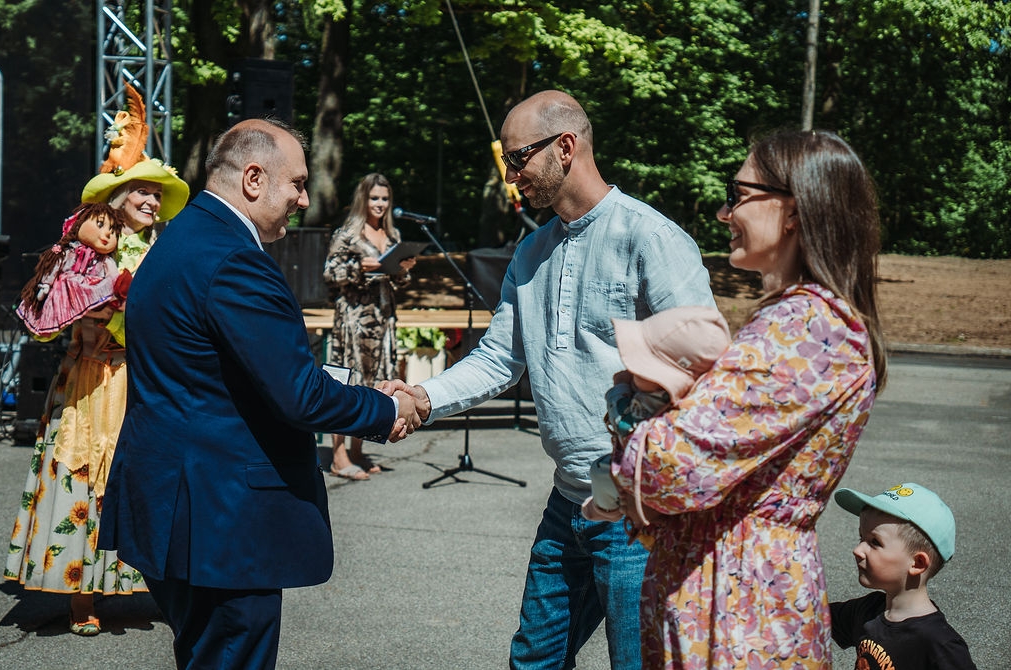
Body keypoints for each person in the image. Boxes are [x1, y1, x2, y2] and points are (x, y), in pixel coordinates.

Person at [381, 89, 715, 670]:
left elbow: (701, 370)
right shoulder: (532, 251)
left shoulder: (650, 238)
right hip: (568, 502)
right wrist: (422, 396)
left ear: (566, 147)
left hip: (643, 515)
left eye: (517, 159)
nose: (511, 178)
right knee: (533, 659)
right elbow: (499, 359)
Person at [96, 118, 420, 670]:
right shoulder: (234, 260)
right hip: (220, 521)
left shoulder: (182, 238)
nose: (302, 198)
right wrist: (389, 406)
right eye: (295, 183)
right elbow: (298, 395)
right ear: (252, 179)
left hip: (176, 505)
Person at [608, 128, 889, 668]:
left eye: (737, 194)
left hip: (740, 606)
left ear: (794, 210)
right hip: (734, 590)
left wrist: (626, 408)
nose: (723, 212)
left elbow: (666, 468)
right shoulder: (797, 321)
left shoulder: (809, 327)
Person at [3, 84, 190, 637]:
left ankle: (135, 584)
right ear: (118, 197)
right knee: (86, 469)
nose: (152, 203)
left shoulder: (163, 247)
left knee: (141, 474)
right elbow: (55, 312)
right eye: (142, 193)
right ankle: (81, 592)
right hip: (93, 377)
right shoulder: (88, 249)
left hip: (145, 375)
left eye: (158, 196)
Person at [582, 306, 730, 525]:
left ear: (665, 381)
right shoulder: (703, 402)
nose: (630, 368)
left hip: (644, 478)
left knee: (603, 470)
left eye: (639, 367)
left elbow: (625, 425)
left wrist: (619, 389)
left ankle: (604, 508)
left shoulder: (656, 399)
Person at [323, 172, 416, 480]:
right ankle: (338, 455)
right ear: (364, 199)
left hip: (383, 317)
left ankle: (358, 451)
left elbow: (401, 282)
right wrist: (358, 268)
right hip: (353, 319)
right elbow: (329, 273)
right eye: (374, 198)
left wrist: (402, 270)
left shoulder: (393, 236)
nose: (380, 204)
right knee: (347, 384)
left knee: (375, 383)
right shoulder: (347, 233)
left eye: (385, 199)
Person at [830, 482, 977, 669]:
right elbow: (813, 616)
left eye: (874, 542)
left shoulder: (939, 644)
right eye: (861, 538)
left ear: (918, 563)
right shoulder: (867, 610)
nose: (857, 550)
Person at [16, 203, 127, 339]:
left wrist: (118, 291)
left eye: (113, 232)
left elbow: (113, 276)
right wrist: (46, 284)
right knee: (59, 293)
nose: (108, 234)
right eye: (99, 224)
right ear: (79, 224)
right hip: (69, 289)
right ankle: (50, 323)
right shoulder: (69, 252)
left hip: (92, 289)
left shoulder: (105, 260)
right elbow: (55, 266)